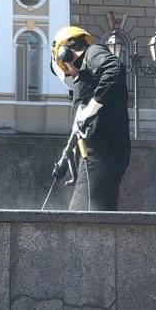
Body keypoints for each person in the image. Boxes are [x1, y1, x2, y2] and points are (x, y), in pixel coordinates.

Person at [50, 26, 130, 211]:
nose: (71, 72)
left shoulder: (93, 53)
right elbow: (79, 129)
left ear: (65, 53)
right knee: (102, 215)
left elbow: (115, 68)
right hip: (107, 154)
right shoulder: (88, 72)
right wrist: (66, 160)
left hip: (99, 156)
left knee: (79, 220)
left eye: (67, 67)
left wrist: (92, 107)